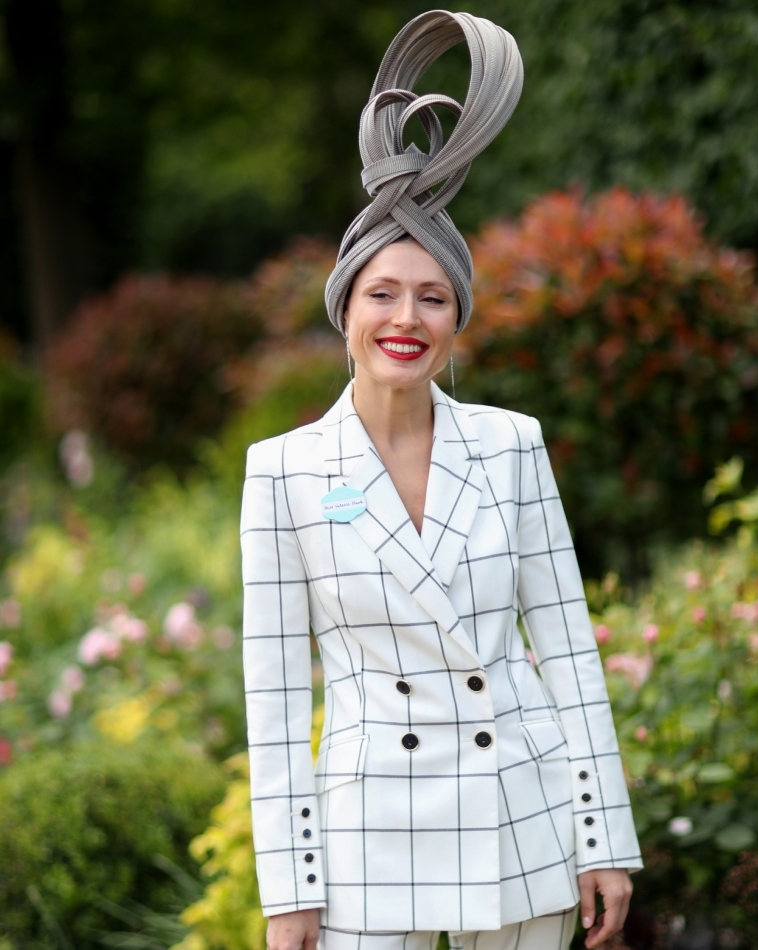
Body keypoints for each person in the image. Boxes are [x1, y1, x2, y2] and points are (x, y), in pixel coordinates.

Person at [240, 12, 642, 950]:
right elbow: (274, 701)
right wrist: (286, 890)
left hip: (521, 816)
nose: (405, 318)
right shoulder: (284, 470)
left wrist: (603, 838)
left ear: (458, 317)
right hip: (365, 840)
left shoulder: (511, 445)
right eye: (381, 293)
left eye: (433, 296)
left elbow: (570, 657)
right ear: (345, 309)